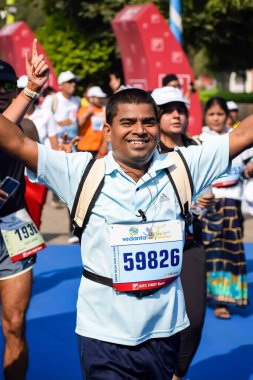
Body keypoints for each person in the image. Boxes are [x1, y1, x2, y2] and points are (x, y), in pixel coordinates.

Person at [1, 41, 253, 379]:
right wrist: (30, 89)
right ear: (107, 130)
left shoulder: (185, 164)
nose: (139, 130)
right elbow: (12, 139)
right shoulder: (79, 172)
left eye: (149, 122)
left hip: (165, 330)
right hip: (103, 335)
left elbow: (245, 133)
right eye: (128, 122)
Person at [151, 86, 213, 379]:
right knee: (151, 320)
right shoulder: (143, 149)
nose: (177, 115)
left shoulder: (198, 147)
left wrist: (202, 200)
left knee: (195, 319)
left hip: (190, 243)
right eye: (169, 109)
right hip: (150, 245)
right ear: (156, 114)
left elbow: (206, 193)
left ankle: (176, 374)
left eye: (181, 109)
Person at [0, 59, 40, 380]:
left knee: (15, 323)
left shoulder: (27, 128)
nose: (1, 93)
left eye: (7, 87)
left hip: (15, 225)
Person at [200, 96, 251, 319]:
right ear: (205, 116)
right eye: (211, 114)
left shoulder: (237, 138)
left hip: (233, 200)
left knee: (230, 251)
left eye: (220, 114)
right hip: (207, 203)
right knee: (208, 251)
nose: (216, 118)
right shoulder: (197, 140)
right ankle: (204, 293)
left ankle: (224, 300)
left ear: (227, 116)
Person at [77, 85, 108, 157]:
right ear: (91, 98)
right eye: (98, 98)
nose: (101, 99)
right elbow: (78, 124)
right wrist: (87, 114)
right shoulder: (83, 109)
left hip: (99, 149)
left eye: (102, 97)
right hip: (83, 148)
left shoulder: (105, 110)